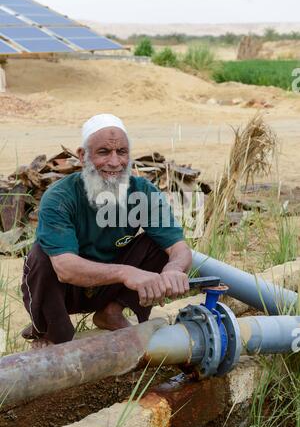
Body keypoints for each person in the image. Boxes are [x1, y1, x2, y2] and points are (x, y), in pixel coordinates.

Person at [21, 114, 192, 347]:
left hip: (108, 290)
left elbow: (179, 247)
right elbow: (65, 268)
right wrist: (126, 273)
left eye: (121, 152)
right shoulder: (60, 197)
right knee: (41, 256)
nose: (115, 162)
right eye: (103, 152)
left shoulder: (142, 192)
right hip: (67, 291)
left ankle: (111, 312)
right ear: (83, 156)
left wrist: (174, 269)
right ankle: (52, 333)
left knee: (157, 245)